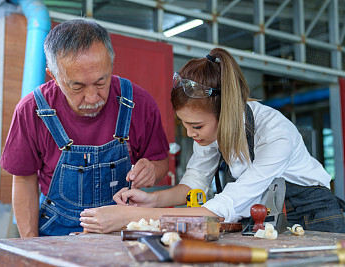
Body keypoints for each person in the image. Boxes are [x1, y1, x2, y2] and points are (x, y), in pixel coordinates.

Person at [79, 47, 345, 234]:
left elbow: (221, 209)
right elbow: (194, 184)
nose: (190, 134)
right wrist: (151, 201)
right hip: (270, 218)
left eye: (196, 126)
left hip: (315, 217)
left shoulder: (275, 134)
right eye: (183, 124)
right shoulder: (211, 133)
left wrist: (131, 218)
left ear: (226, 112)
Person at [0, 19, 170, 237]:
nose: (92, 97)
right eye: (77, 86)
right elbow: (24, 179)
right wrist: (30, 246)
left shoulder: (140, 103)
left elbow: (160, 163)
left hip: (120, 231)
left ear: (111, 62)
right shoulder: (30, 111)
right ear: (53, 75)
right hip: (56, 236)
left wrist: (151, 171)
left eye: (101, 82)